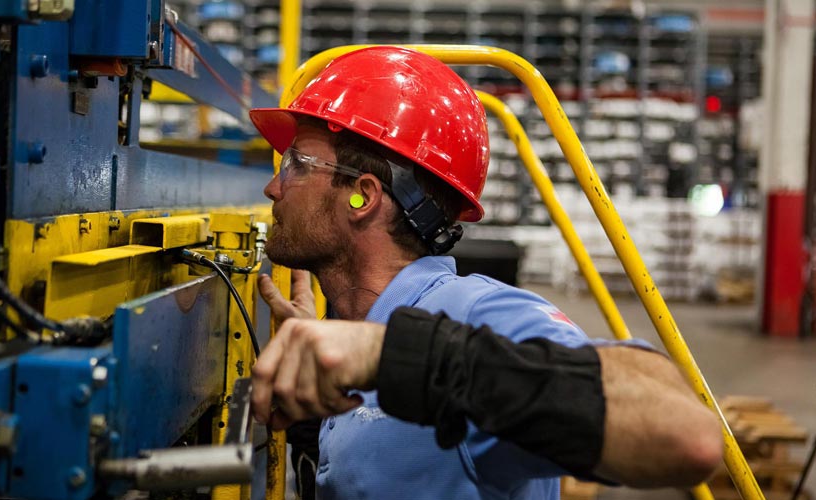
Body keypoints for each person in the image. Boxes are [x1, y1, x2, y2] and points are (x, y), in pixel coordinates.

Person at [247, 46, 722, 498]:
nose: (273, 187)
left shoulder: (473, 313)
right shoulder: (345, 334)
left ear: (363, 197)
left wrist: (394, 353)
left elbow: (687, 433)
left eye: (296, 165)